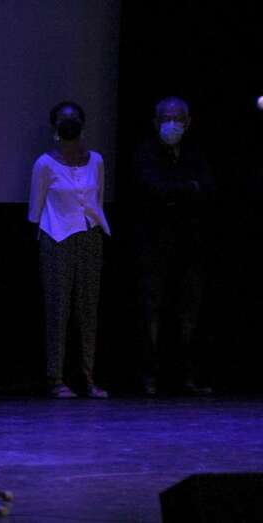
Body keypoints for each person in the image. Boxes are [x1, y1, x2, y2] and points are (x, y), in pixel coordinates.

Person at [132, 96, 214, 396]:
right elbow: (153, 188)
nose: (172, 123)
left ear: (188, 122)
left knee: (189, 310)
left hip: (190, 244)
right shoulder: (145, 153)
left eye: (178, 118)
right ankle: (149, 375)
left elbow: (208, 187)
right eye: (166, 118)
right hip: (154, 243)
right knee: (150, 309)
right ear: (156, 122)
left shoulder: (195, 153)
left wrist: (176, 192)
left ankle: (186, 375)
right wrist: (187, 189)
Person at [28, 101, 110, 399]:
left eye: (74, 118)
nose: (69, 122)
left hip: (90, 237)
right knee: (58, 309)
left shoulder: (96, 161)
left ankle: (87, 376)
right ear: (55, 126)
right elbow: (35, 209)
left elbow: (98, 199)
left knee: (88, 309)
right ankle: (55, 378)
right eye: (64, 119)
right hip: (57, 238)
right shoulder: (45, 164)